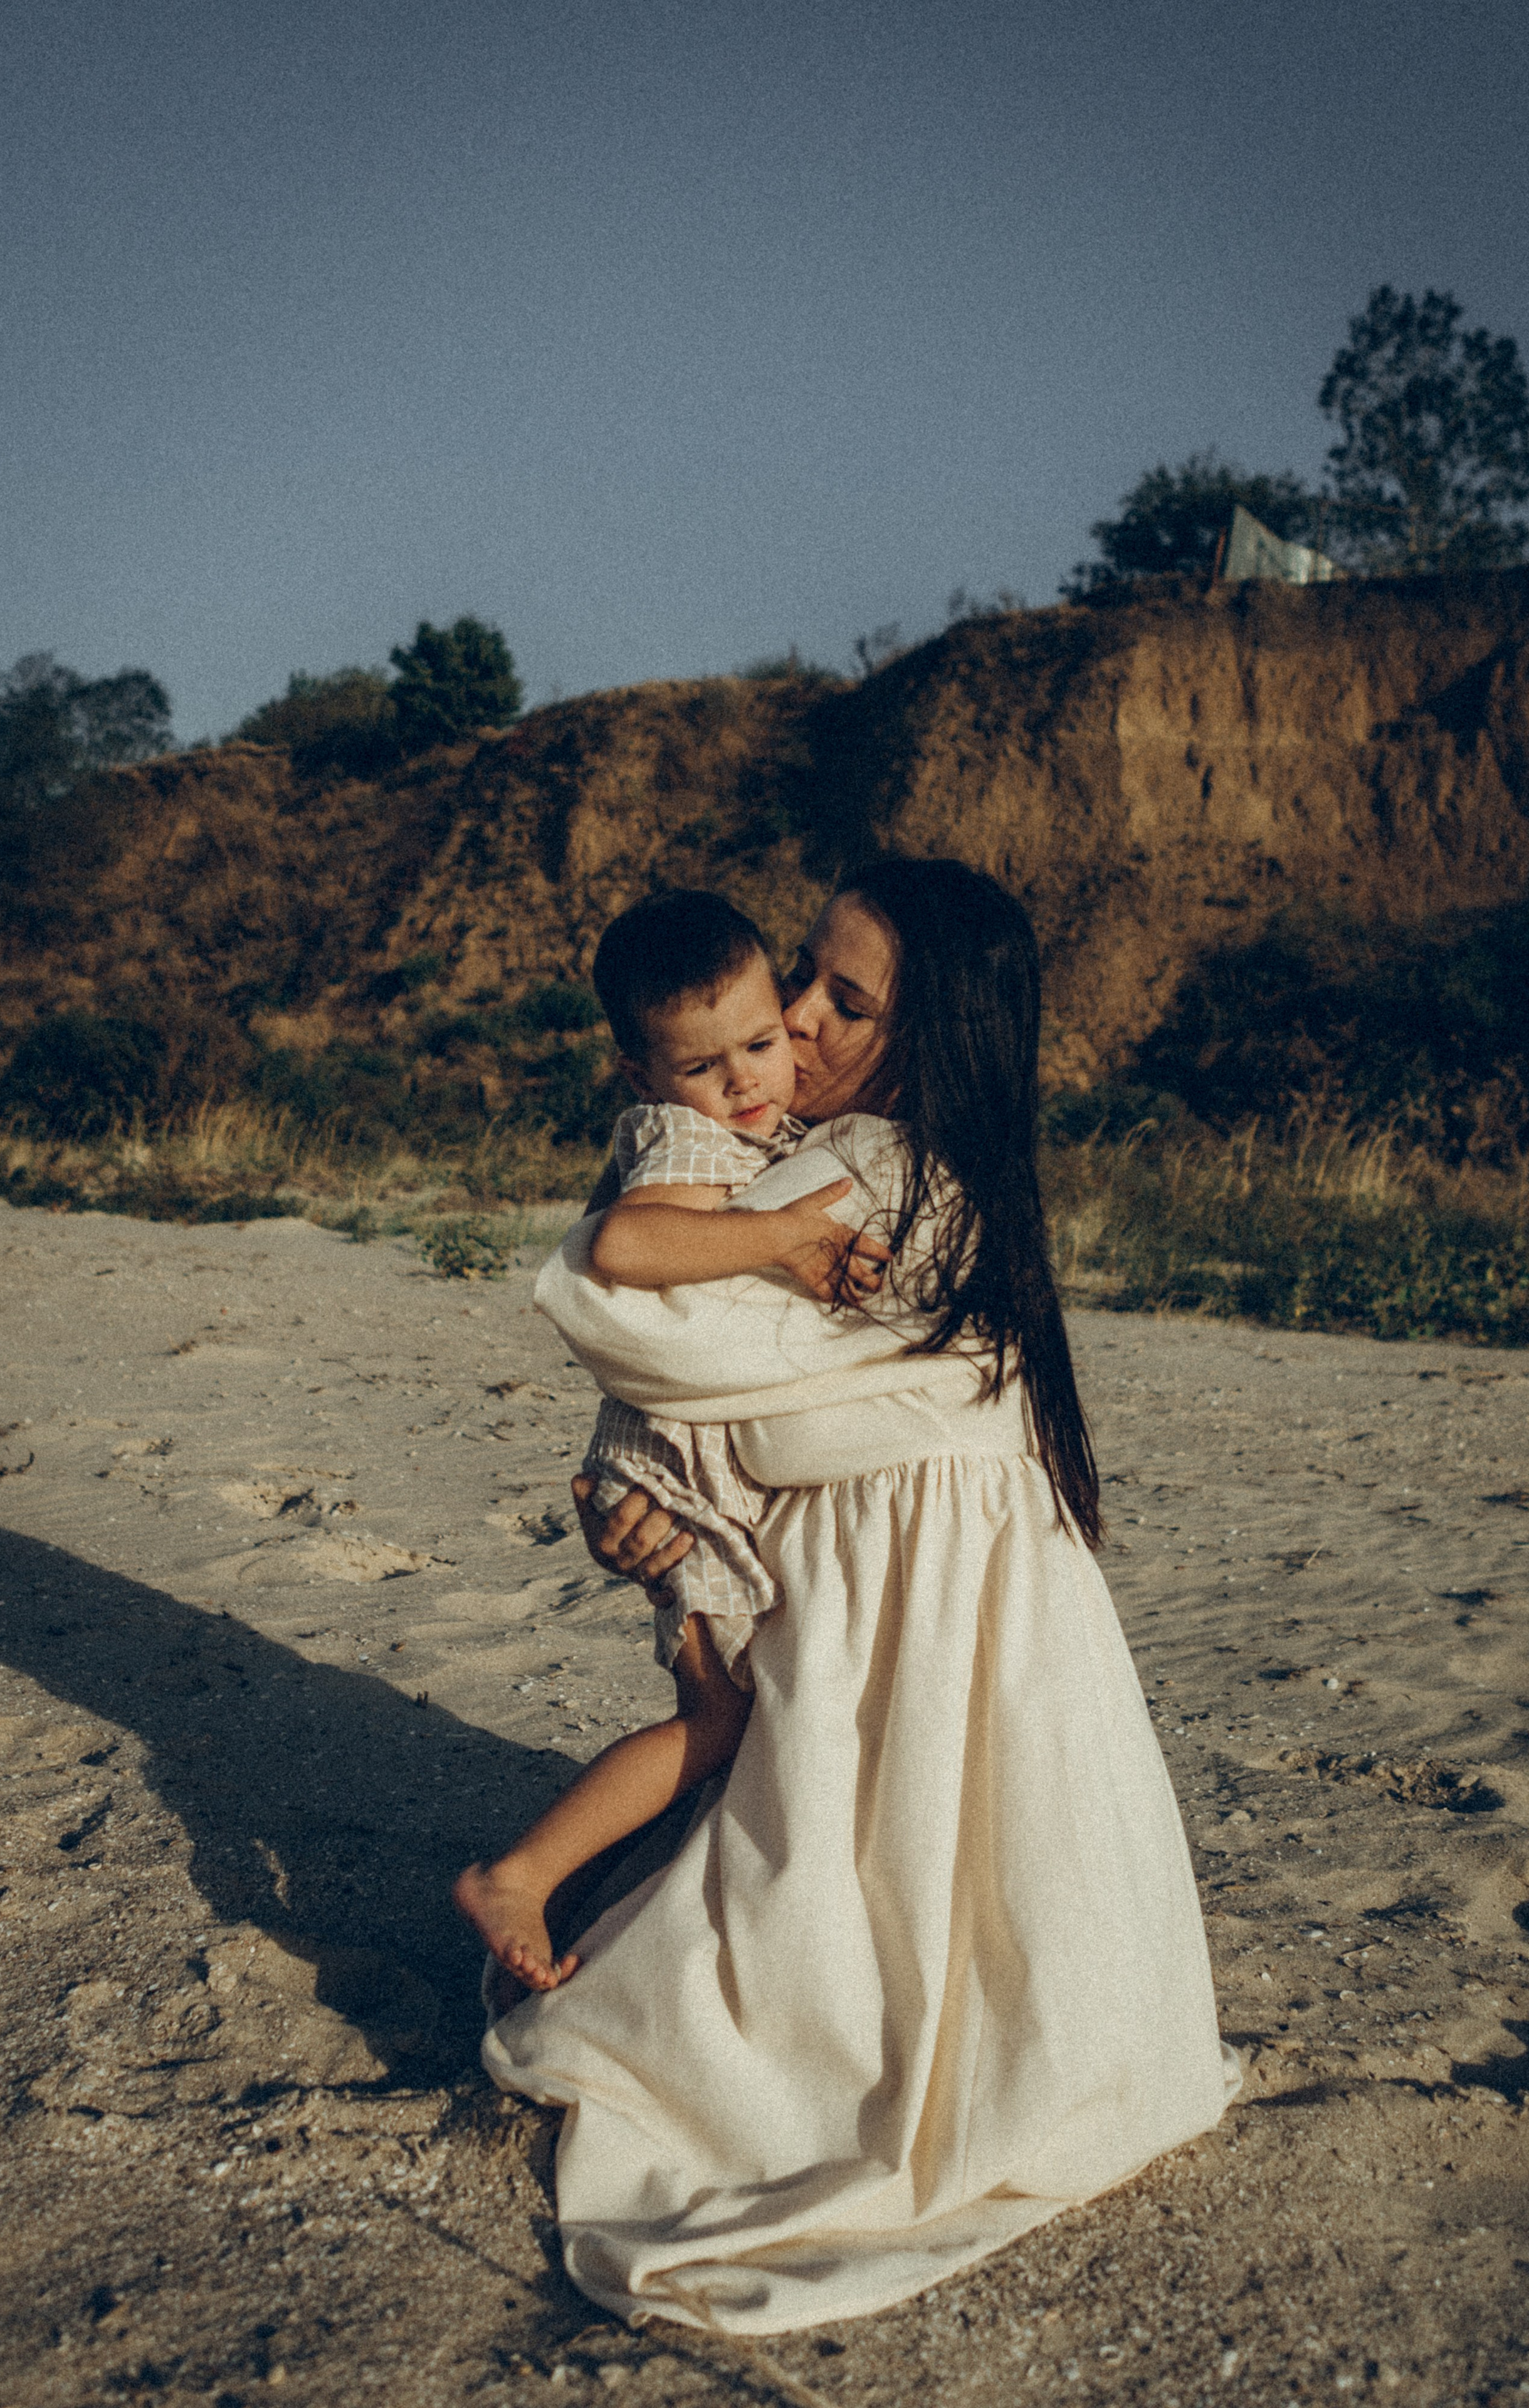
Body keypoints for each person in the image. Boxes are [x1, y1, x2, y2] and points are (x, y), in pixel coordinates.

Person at [477, 859, 1240, 2335]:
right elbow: (741, 1375)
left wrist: (653, 1468)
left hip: (916, 1581)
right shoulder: (888, 1173)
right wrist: (650, 1496)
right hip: (954, 1580)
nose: (796, 1018)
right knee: (933, 1870)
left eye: (845, 999)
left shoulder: (864, 1175)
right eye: (802, 975)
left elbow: (629, 1311)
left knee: (851, 1881)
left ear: (929, 1035)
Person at [454, 890, 886, 1992]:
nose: (745, 1081)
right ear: (643, 1077)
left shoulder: (764, 1128)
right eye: (703, 1066)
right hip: (672, 1473)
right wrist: (784, 1237)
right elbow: (625, 1245)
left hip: (694, 1465)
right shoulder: (679, 1138)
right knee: (720, 1716)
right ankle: (523, 1875)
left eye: (759, 1045)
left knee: (741, 1711)